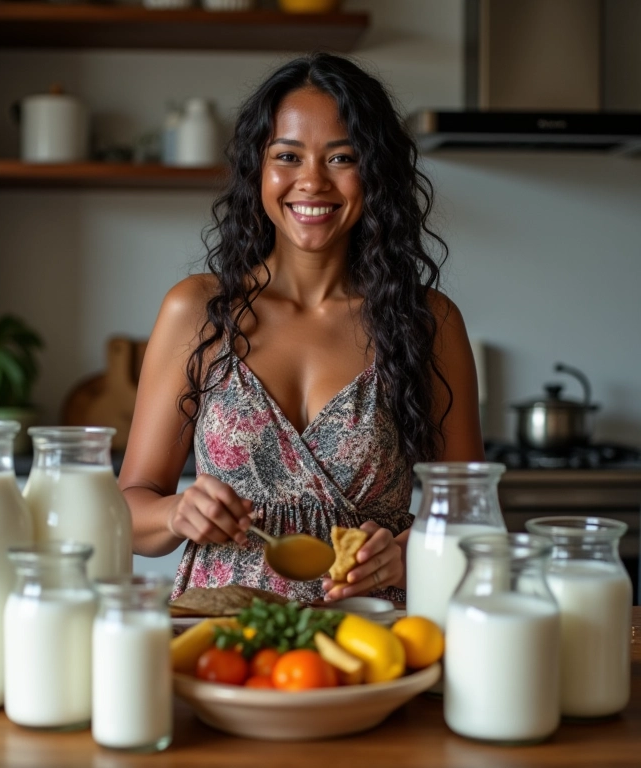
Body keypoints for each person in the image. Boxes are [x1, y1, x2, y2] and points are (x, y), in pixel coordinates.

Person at [118, 52, 484, 604]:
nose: (311, 181)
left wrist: (408, 555)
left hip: (369, 639)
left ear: (375, 172)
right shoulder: (196, 311)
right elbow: (129, 506)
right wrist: (175, 511)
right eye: (287, 156)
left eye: (342, 158)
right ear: (257, 171)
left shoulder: (428, 321)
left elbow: (472, 521)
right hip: (220, 638)